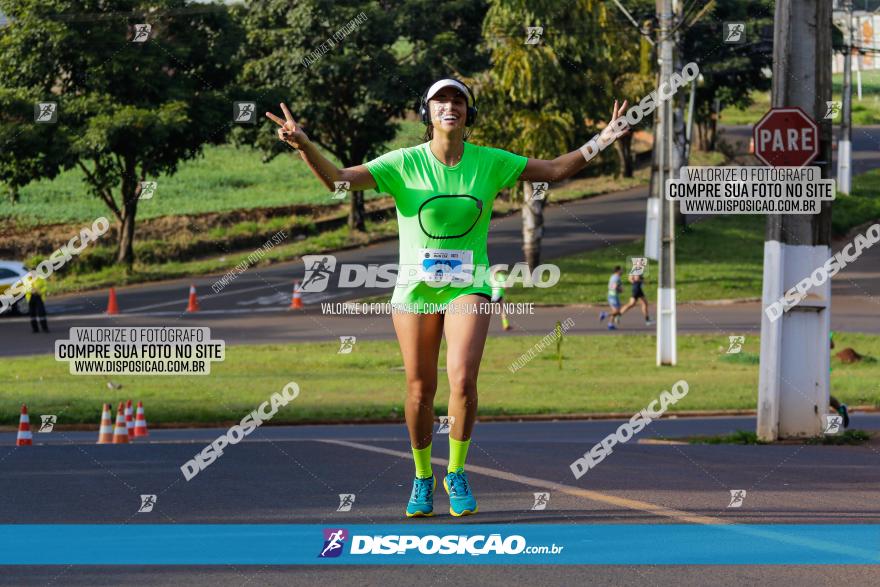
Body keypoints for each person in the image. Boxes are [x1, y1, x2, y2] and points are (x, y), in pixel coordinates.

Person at [267, 79, 629, 518]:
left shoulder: (490, 162)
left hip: (468, 284)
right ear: (427, 113)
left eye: (458, 100)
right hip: (414, 289)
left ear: (467, 113)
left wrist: (603, 139)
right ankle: (422, 477)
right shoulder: (404, 163)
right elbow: (339, 181)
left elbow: (554, 170)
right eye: (441, 100)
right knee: (420, 388)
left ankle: (455, 471)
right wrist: (304, 145)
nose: (450, 106)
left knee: (462, 379)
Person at [599, 266, 623, 330]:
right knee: (616, 311)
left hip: (613, 296)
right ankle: (604, 314)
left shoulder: (613, 276)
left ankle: (610, 324)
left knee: (616, 311)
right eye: (621, 270)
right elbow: (614, 287)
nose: (622, 271)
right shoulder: (616, 278)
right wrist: (620, 289)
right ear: (618, 271)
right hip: (613, 296)